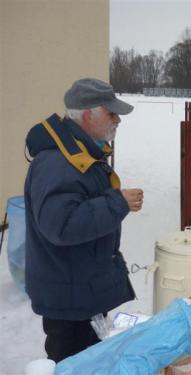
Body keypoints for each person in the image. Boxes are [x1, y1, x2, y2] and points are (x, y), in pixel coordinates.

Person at [24, 78, 143, 362]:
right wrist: (117, 202)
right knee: (72, 364)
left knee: (91, 361)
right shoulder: (56, 162)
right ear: (88, 114)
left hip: (81, 289)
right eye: (111, 113)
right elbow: (61, 225)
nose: (118, 120)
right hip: (68, 297)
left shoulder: (81, 152)